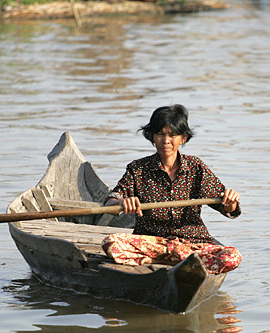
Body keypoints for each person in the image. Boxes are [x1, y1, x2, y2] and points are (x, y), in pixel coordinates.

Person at [102, 105, 242, 274]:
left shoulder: (196, 167)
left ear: (183, 138)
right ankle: (172, 260)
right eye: (160, 134)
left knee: (232, 256)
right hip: (153, 243)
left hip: (192, 244)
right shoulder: (138, 169)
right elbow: (111, 202)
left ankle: (163, 260)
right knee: (111, 243)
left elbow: (228, 210)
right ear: (152, 137)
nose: (166, 140)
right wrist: (122, 202)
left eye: (172, 135)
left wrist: (231, 201)